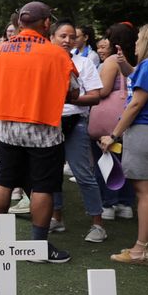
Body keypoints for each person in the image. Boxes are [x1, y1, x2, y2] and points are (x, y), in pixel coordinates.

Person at [0, 2, 78, 263]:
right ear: (47, 23)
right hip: (44, 129)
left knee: (4, 181)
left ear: (21, 23)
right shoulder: (56, 54)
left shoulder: (0, 51)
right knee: (43, 187)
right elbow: (74, 91)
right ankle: (37, 248)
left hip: (9, 128)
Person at [98, 21, 148, 265]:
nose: (137, 41)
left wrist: (114, 135)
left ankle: (141, 249)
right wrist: (126, 67)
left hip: (144, 133)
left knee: (145, 193)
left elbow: (136, 103)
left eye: (140, 37)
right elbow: (143, 86)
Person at [47, 20, 106, 243]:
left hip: (75, 122)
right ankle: (56, 217)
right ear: (52, 36)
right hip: (48, 124)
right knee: (50, 174)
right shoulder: (44, 61)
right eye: (63, 35)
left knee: (83, 174)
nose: (67, 40)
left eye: (72, 37)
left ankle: (98, 224)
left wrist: (71, 98)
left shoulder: (83, 63)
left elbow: (96, 96)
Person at [93, 23, 138, 218]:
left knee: (107, 158)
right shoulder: (140, 58)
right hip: (133, 117)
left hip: (111, 121)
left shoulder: (113, 61)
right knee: (126, 160)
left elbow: (102, 90)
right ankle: (126, 204)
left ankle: (108, 204)